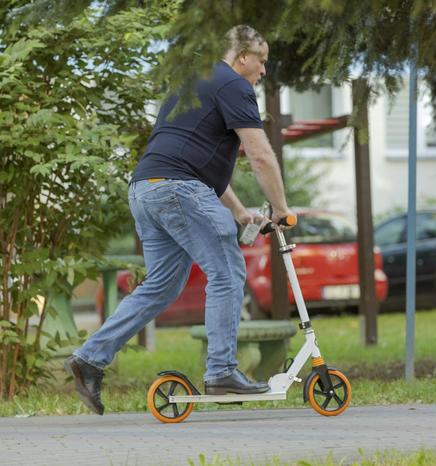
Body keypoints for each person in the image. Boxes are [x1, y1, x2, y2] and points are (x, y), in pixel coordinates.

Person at [65, 25, 294, 415]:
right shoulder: (236, 87)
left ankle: (90, 358)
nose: (264, 71)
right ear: (242, 57)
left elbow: (187, 154)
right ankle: (221, 371)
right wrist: (282, 208)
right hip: (178, 190)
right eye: (262, 61)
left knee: (160, 287)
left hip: (145, 189)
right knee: (226, 272)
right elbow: (260, 156)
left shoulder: (194, 82)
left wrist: (238, 212)